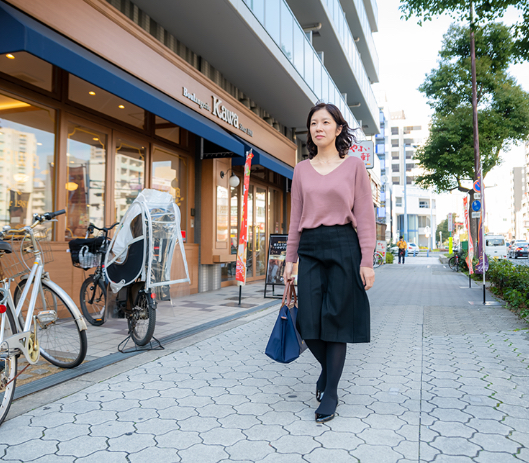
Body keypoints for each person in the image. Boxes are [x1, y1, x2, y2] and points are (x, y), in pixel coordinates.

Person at [283, 102, 376, 423]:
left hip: (343, 245)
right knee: (306, 320)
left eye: (325, 122)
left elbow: (365, 216)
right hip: (309, 246)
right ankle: (327, 371)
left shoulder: (353, 168)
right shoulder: (301, 169)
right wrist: (289, 259)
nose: (318, 127)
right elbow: (295, 218)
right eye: (313, 123)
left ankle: (331, 391)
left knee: (336, 320)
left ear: (338, 129)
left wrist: (367, 260)